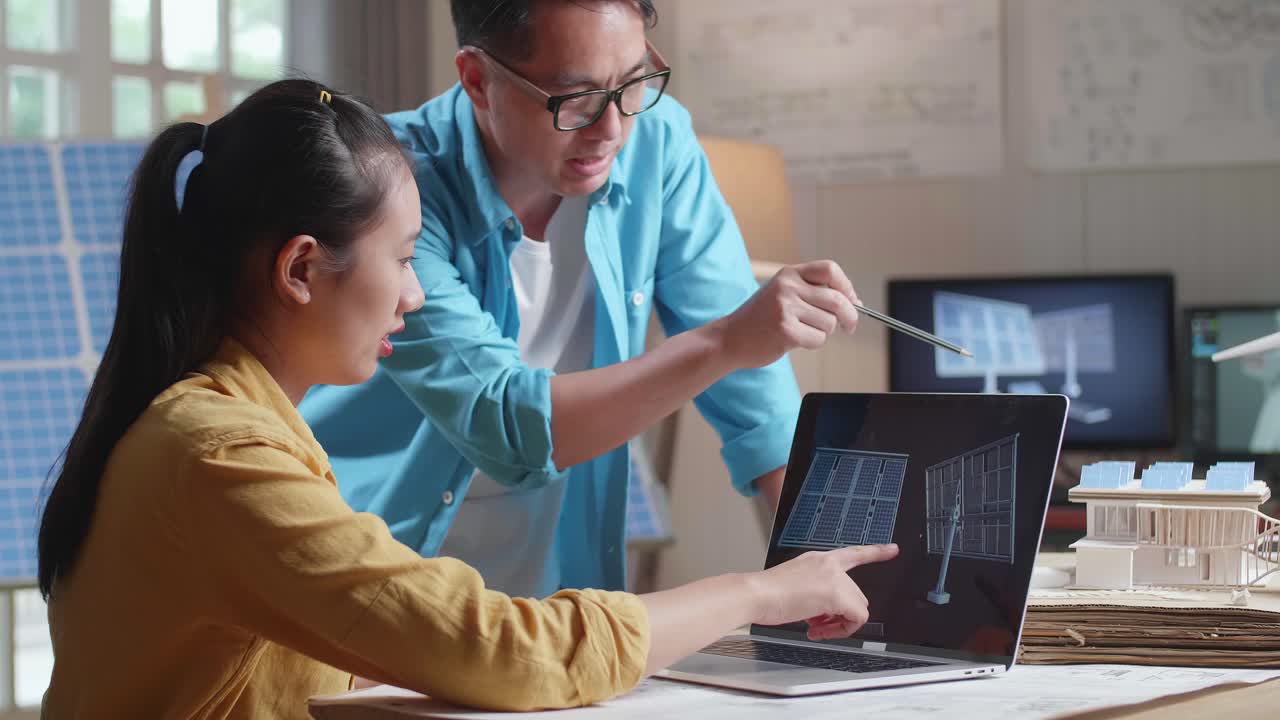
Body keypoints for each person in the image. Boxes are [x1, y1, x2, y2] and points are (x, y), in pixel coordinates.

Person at [36, 79, 897, 718]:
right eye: (406, 258)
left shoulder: (233, 427)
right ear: (301, 269)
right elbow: (503, 648)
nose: (415, 297)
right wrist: (757, 594)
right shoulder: (222, 456)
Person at [300, 0, 864, 599]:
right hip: (372, 581)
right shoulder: (392, 181)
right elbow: (503, 423)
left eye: (634, 81)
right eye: (577, 97)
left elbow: (759, 404)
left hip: (552, 598)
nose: (613, 128)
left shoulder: (658, 141)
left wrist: (824, 572)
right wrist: (726, 343)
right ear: (476, 79)